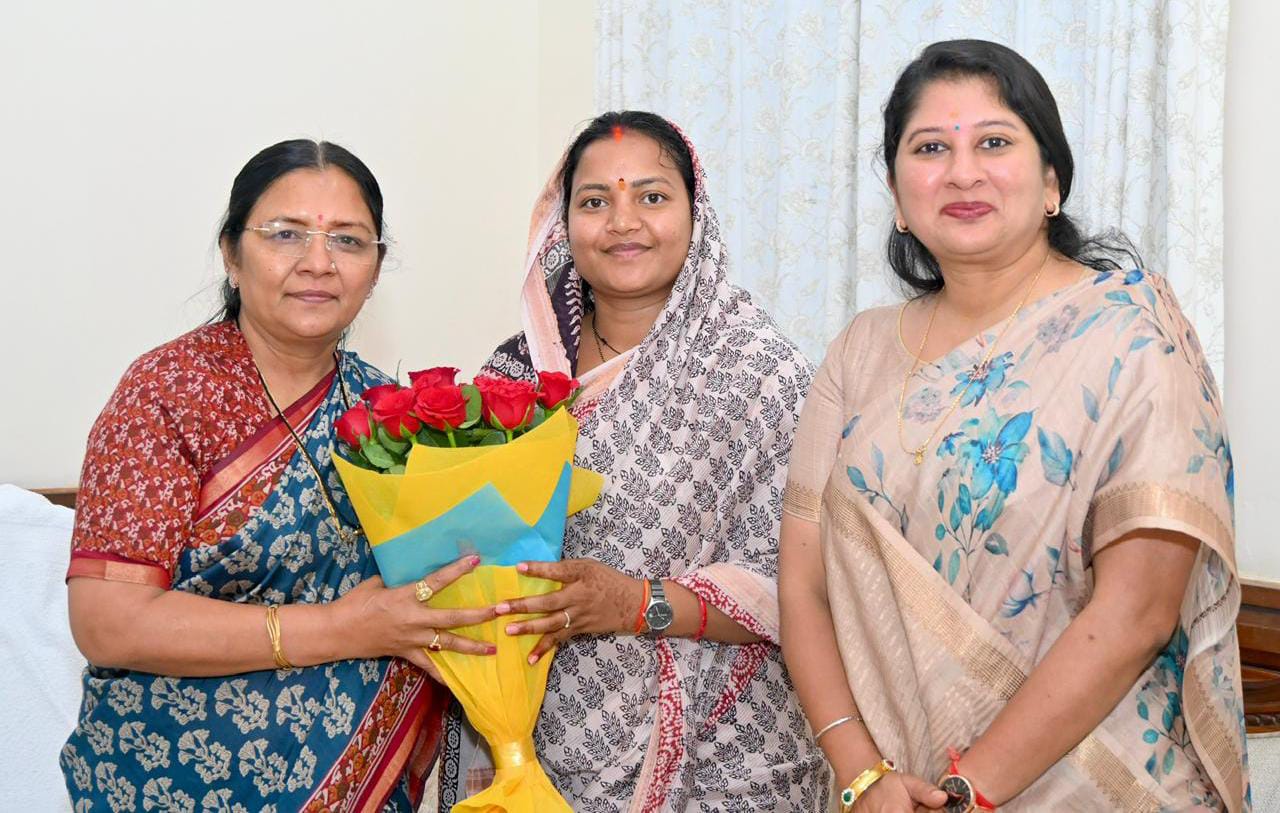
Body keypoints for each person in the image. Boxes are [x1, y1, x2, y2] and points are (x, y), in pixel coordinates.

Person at [780, 39, 1247, 812]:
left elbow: (1136, 612)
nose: (963, 172)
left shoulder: (1133, 337)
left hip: (1094, 783)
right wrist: (862, 775)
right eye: (931, 148)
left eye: (994, 142)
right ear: (897, 194)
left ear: (1051, 180)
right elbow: (803, 585)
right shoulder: (860, 350)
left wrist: (968, 793)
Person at [61, 139, 493, 811]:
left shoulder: (388, 415)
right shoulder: (168, 393)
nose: (318, 262)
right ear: (232, 254)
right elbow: (108, 623)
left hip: (359, 782)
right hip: (171, 778)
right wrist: (342, 628)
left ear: (376, 267)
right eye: (286, 233)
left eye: (348, 240)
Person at [437, 111, 829, 811]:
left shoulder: (761, 373)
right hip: (538, 738)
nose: (623, 222)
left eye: (651, 196)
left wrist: (633, 602)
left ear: (696, 213)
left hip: (725, 751)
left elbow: (793, 591)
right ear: (563, 225)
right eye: (595, 201)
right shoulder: (515, 374)